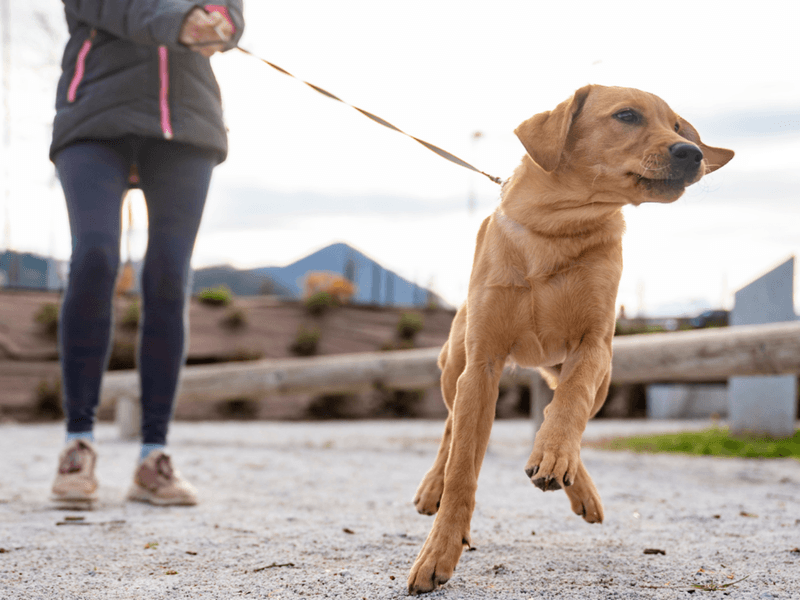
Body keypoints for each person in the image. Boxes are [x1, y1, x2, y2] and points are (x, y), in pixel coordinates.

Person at [49, 1, 245, 506]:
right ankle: (78, 442)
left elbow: (228, 12)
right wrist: (178, 21)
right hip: (95, 112)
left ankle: (153, 456)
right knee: (94, 258)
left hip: (187, 120)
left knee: (168, 275)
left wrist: (220, 23)